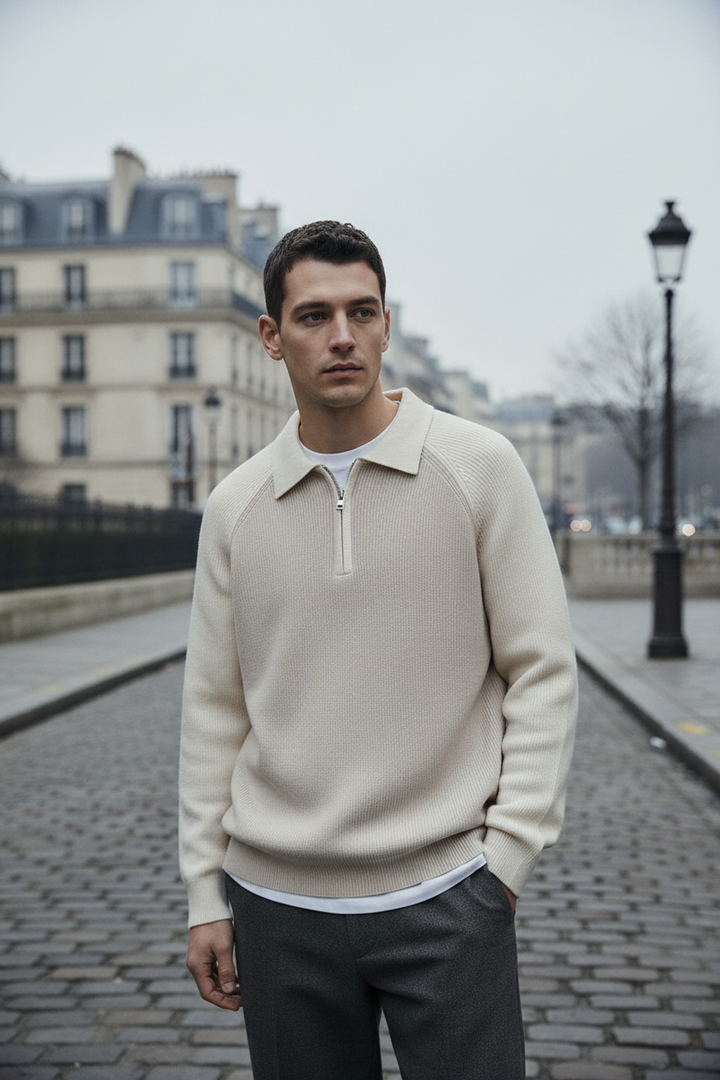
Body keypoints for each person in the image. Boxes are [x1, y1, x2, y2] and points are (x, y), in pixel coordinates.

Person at [179, 220, 578, 1080]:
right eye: (315, 316)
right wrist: (205, 894)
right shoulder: (236, 507)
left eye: (363, 312)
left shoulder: (478, 467)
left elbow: (542, 670)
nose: (343, 336)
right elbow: (214, 709)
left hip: (446, 900)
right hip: (276, 907)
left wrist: (504, 861)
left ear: (387, 325)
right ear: (271, 337)